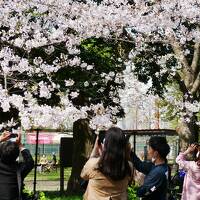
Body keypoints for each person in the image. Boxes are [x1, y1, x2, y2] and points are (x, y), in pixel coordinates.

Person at [81, 127, 133, 200]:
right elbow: (130, 181)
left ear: (104, 145)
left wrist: (94, 153)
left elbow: (83, 175)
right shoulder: (129, 166)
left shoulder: (93, 164)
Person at [0, 130, 34, 200]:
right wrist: (20, 144)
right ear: (17, 154)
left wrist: (1, 139)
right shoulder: (19, 169)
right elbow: (29, 161)